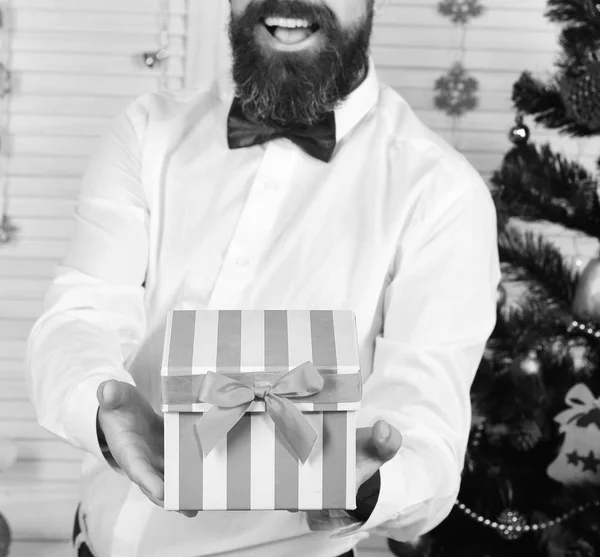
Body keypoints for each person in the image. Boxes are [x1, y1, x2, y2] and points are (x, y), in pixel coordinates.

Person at [26, 0, 501, 556]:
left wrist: (367, 485)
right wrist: (101, 409)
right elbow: (82, 313)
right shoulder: (144, 131)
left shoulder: (441, 193)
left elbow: (427, 434)